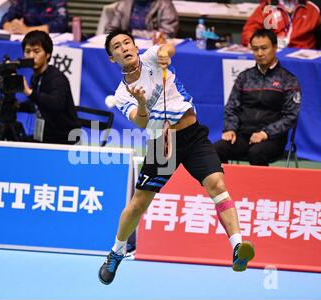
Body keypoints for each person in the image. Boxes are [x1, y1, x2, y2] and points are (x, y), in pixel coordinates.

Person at [98, 29, 255, 285]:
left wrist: (164, 54)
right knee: (139, 203)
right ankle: (116, 252)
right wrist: (141, 103)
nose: (124, 47)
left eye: (127, 42)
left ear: (136, 47)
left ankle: (237, 247)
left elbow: (167, 48)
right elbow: (140, 122)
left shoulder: (150, 57)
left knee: (217, 185)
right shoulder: (122, 94)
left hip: (192, 135)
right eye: (117, 46)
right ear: (111, 58)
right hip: (163, 142)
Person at [214, 29, 300, 166]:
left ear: (275, 47)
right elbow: (231, 107)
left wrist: (265, 133)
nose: (259, 53)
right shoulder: (244, 77)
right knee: (217, 149)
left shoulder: (288, 80)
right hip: (243, 135)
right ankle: (226, 186)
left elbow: (291, 116)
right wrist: (230, 129)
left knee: (256, 152)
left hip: (272, 139)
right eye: (255, 49)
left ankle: (260, 188)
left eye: (264, 48)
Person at [18, 30, 80, 145]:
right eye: (27, 51)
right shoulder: (35, 77)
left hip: (64, 139)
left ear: (48, 54)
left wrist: (30, 93)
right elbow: (36, 105)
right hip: (45, 135)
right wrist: (16, 106)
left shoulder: (57, 78)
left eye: (36, 51)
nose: (31, 56)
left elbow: (55, 105)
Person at [241, 0, 321, 49]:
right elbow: (249, 31)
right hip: (273, 54)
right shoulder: (266, 7)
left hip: (301, 58)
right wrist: (253, 43)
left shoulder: (312, 9)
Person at [104, 0, 179, 39]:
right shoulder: (124, 4)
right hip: (127, 45)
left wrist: (132, 33)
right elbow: (110, 29)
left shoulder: (165, 4)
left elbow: (168, 33)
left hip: (154, 49)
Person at [0, 0, 68, 34]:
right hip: (26, 41)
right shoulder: (23, 1)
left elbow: (60, 24)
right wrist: (10, 26)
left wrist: (27, 30)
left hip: (50, 42)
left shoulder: (58, 1)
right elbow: (7, 17)